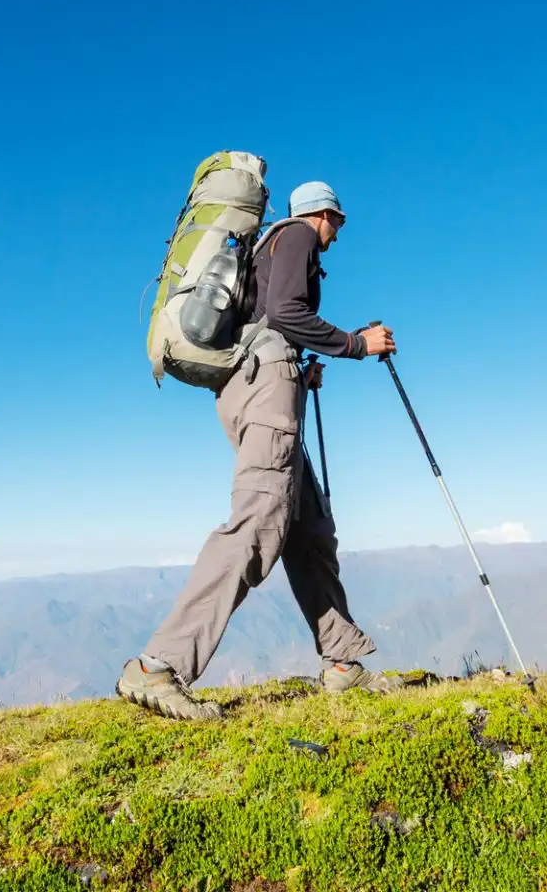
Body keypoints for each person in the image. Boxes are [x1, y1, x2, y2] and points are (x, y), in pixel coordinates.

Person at [118, 180, 400, 719]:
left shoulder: (265, 247)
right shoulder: (297, 236)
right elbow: (288, 312)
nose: (338, 233)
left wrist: (299, 369)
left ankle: (342, 660)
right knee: (258, 523)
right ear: (323, 214)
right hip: (266, 391)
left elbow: (270, 320)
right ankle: (158, 666)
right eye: (338, 221)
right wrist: (354, 344)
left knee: (308, 527)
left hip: (256, 387)